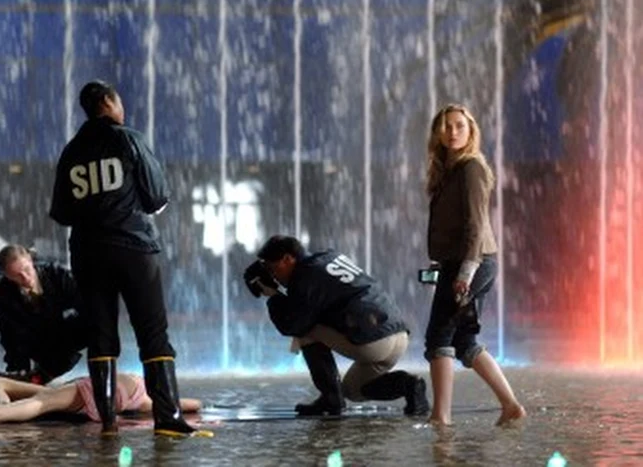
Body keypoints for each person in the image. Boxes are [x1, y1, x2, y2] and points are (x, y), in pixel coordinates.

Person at [49, 80, 206, 437]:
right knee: (153, 333)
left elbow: (61, 212)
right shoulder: (128, 139)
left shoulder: (71, 150)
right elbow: (156, 196)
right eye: (119, 101)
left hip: (87, 252)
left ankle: (107, 422)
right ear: (108, 102)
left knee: (100, 336)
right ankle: (167, 418)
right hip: (133, 247)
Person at [245, 235, 430, 417]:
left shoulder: (305, 275)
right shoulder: (328, 258)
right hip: (398, 336)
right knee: (353, 390)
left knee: (305, 331)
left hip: (374, 341)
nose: (273, 276)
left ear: (287, 259)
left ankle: (330, 399)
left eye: (273, 269)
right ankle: (409, 385)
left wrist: (273, 295)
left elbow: (291, 325)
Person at [424, 103, 526, 426]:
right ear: (437, 132)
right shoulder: (449, 170)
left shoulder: (471, 167)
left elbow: (475, 224)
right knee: (462, 340)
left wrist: (465, 271)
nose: (452, 132)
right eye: (446, 126)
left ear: (471, 132)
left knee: (439, 336)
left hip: (472, 263)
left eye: (459, 126)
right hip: (463, 263)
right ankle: (510, 406)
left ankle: (441, 417)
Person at [0, 373, 202, 428]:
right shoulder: (147, 398)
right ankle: (4, 410)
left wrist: (170, 397)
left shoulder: (146, 398)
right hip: (87, 388)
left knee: (44, 401)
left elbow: (195, 404)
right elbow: (195, 404)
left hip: (95, 390)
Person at [0, 244, 90, 384]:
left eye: (27, 270)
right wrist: (18, 372)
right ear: (8, 276)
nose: (25, 278)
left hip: (66, 332)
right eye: (17, 275)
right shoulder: (5, 291)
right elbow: (9, 334)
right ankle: (35, 378)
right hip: (36, 341)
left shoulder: (56, 274)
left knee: (94, 322)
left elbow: (85, 304)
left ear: (31, 260)